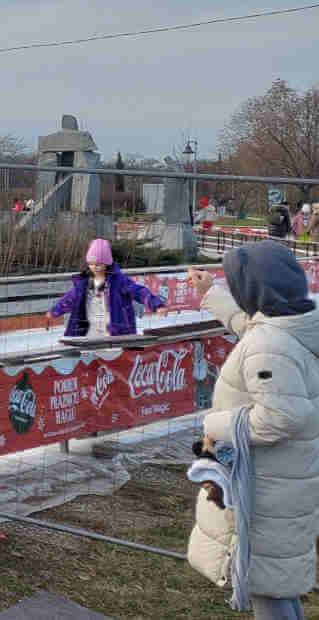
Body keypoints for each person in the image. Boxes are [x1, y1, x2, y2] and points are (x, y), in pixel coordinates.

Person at [185, 242, 319, 619]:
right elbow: (252, 329)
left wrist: (214, 422)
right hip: (289, 479)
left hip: (267, 488)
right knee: (277, 582)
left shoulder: (270, 344)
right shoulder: (294, 326)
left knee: (267, 586)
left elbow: (281, 416)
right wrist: (211, 293)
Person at [48, 239, 166, 338]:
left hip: (115, 331)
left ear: (107, 263)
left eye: (98, 264)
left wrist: (156, 305)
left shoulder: (119, 281)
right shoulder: (83, 283)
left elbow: (139, 292)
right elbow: (69, 299)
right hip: (88, 330)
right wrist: (54, 311)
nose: (94, 267)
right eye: (91, 264)